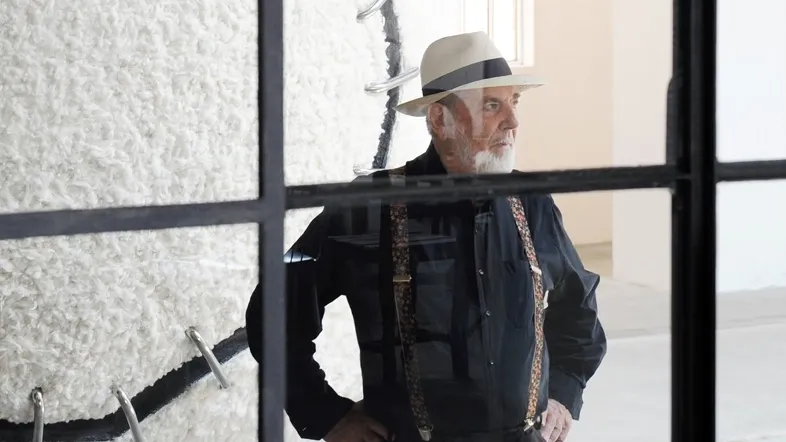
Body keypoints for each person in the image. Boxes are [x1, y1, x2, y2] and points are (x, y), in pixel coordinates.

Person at [246, 31, 607, 442]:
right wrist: (326, 415)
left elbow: (578, 308)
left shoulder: (532, 203)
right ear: (439, 119)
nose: (513, 121)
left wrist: (563, 391)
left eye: (514, 102)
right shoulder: (370, 207)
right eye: (492, 105)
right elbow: (274, 311)